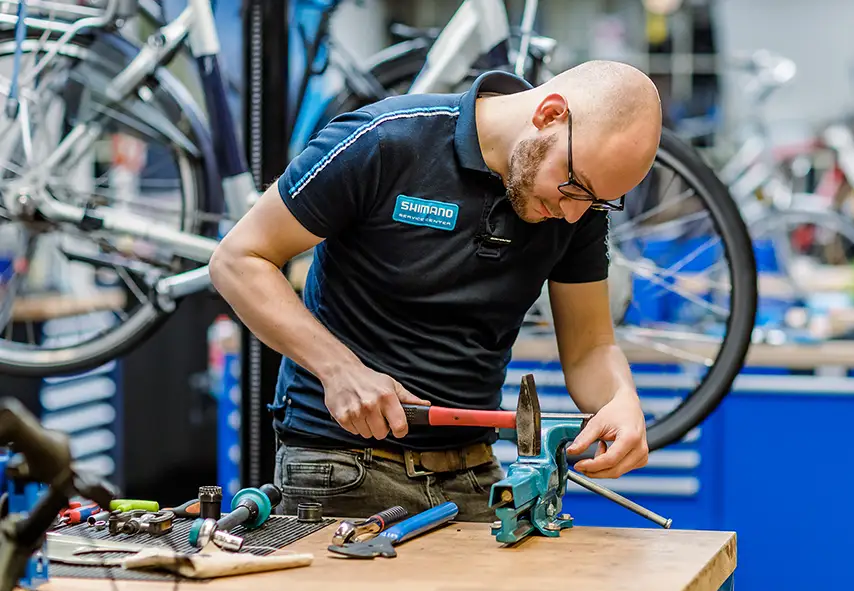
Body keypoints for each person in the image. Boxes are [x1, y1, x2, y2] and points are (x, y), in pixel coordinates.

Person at [209, 59, 664, 522]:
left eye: (596, 202)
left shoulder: (579, 207)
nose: (572, 214)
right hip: (343, 465)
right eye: (574, 186)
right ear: (549, 114)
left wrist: (621, 400)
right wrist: (339, 370)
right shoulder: (385, 140)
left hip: (475, 472)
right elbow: (238, 259)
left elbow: (590, 347)